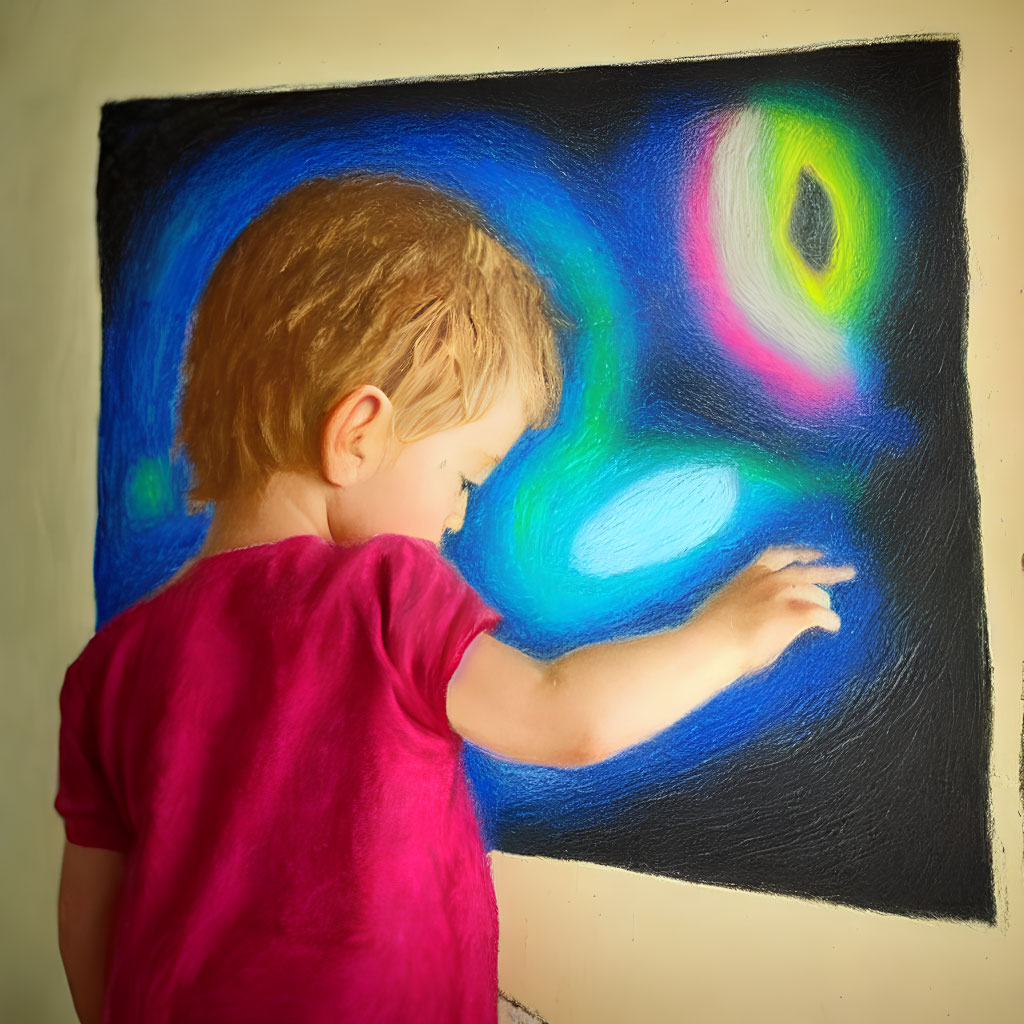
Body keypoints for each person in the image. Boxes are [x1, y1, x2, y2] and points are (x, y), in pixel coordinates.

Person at [56, 175, 854, 1023]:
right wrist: (722, 639)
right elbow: (560, 717)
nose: (458, 515)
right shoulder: (385, 594)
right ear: (358, 432)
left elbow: (88, 921)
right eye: (463, 474)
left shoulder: (111, 664)